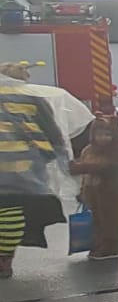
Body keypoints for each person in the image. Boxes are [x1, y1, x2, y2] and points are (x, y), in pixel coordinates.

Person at [0, 63, 91, 280]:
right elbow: (55, 136)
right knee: (11, 211)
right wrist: (66, 170)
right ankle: (4, 260)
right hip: (22, 171)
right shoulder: (35, 98)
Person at [69, 112, 118, 259]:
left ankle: (113, 247)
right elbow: (86, 175)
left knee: (113, 221)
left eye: (107, 134)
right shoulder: (88, 150)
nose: (103, 138)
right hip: (93, 193)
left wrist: (81, 167)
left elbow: (107, 167)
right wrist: (82, 191)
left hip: (114, 193)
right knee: (96, 221)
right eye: (99, 134)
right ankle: (98, 244)